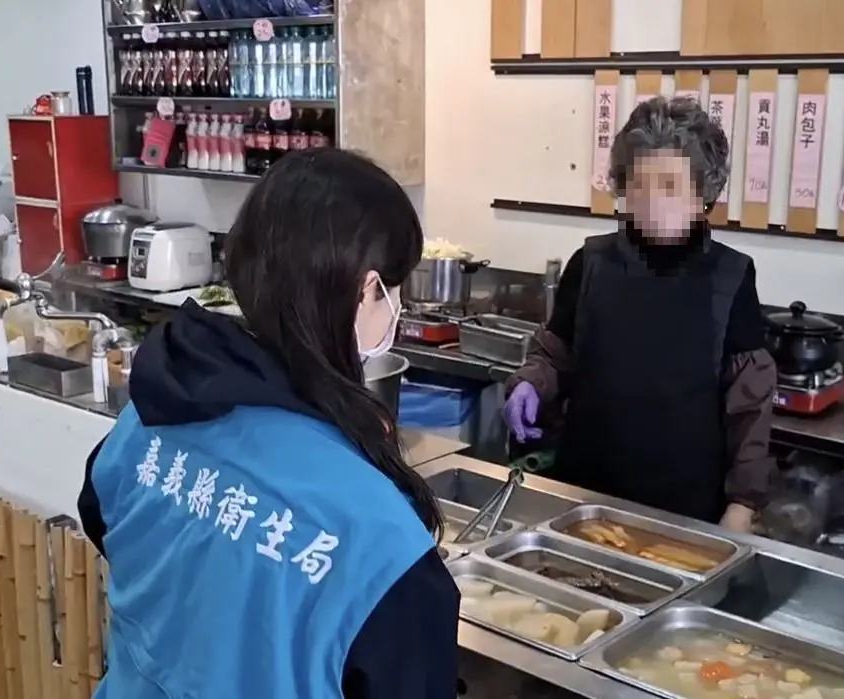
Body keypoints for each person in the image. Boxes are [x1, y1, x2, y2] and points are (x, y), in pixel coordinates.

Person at [77, 148, 458, 699]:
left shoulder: (147, 419)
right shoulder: (384, 546)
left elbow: (105, 521)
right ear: (365, 290)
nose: (394, 306)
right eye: (393, 289)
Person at [502, 96, 777, 533]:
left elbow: (749, 404)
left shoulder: (730, 276)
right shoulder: (591, 263)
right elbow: (554, 355)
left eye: (670, 185)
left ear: (703, 193)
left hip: (685, 508)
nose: (653, 200)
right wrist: (529, 384)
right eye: (640, 184)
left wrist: (743, 503)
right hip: (583, 499)